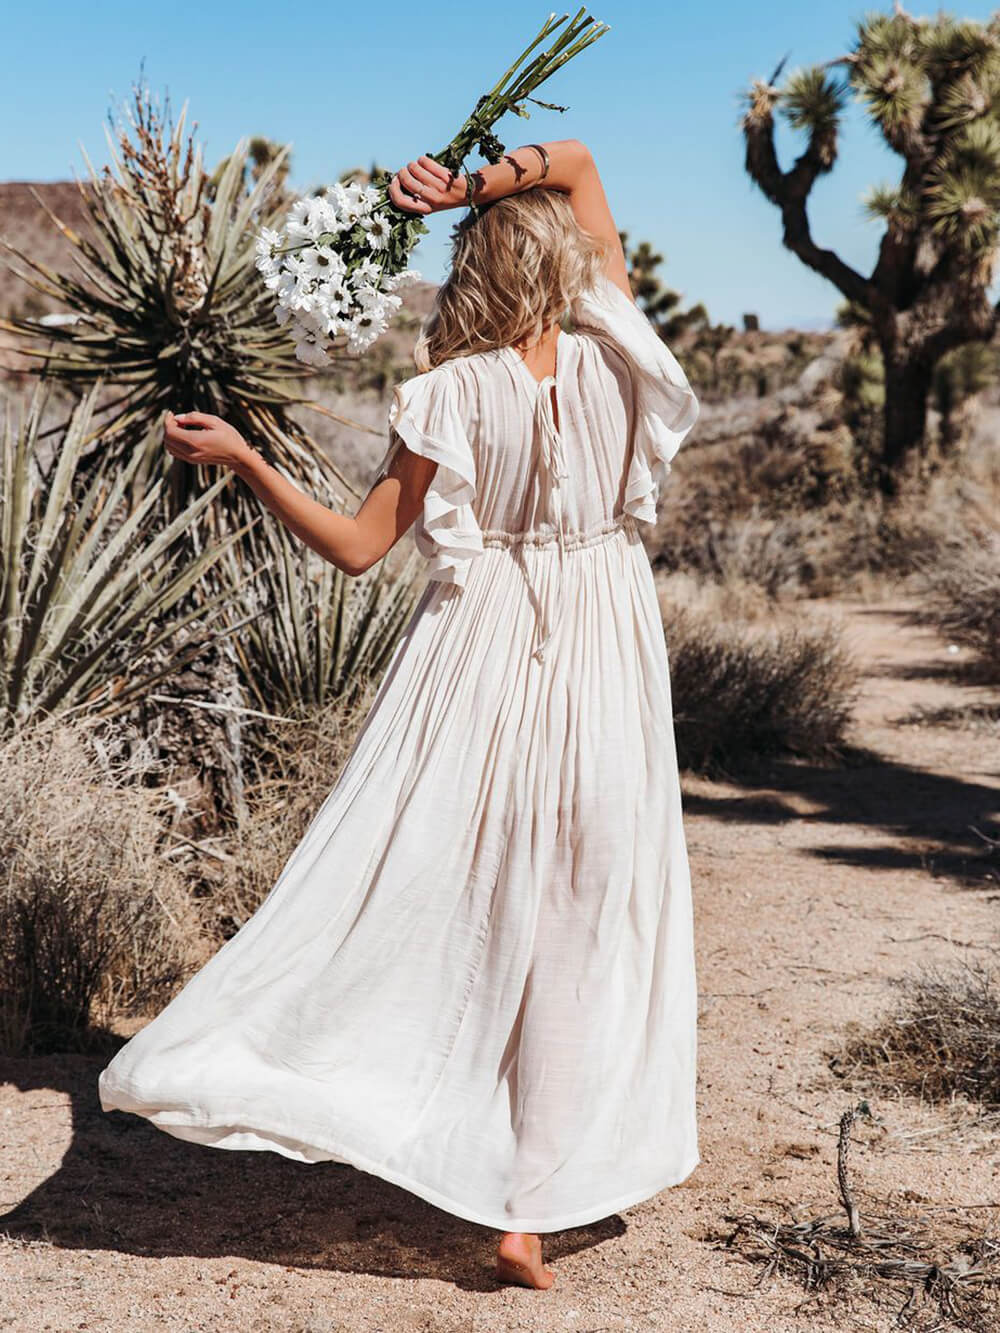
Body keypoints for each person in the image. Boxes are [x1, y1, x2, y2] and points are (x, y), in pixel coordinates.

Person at [98, 139, 701, 1292]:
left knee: (452, 886)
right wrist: (471, 179)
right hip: (606, 648)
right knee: (583, 908)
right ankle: (527, 1203)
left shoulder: (444, 393)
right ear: (566, 268)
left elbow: (359, 550)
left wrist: (246, 458)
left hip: (478, 654)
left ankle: (378, 1093)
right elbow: (574, 162)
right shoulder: (623, 357)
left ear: (471, 280)